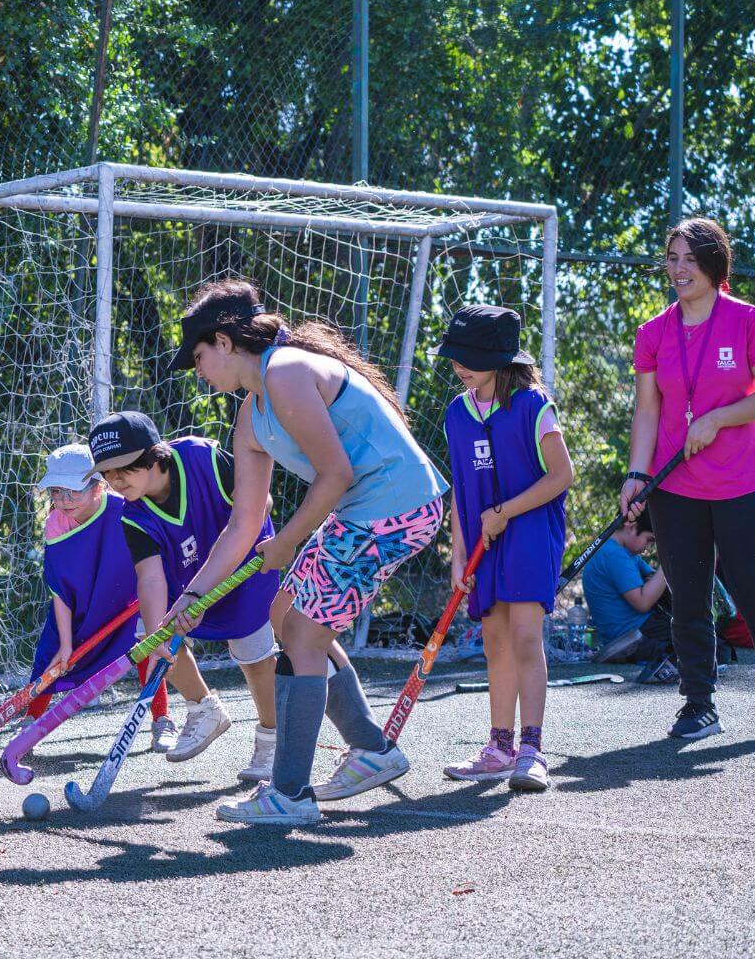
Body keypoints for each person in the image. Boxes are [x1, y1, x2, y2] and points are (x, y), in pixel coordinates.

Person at [165, 281, 449, 826]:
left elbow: (336, 474)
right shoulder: (250, 414)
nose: (199, 371)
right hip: (361, 510)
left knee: (303, 634)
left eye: (199, 357)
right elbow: (244, 523)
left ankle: (289, 794)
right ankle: (373, 749)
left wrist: (289, 539)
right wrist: (193, 596)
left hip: (395, 506)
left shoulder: (286, 372)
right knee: (281, 613)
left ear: (224, 342)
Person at [619, 217, 755, 740]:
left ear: (715, 264)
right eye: (672, 258)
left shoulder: (749, 320)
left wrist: (716, 418)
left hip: (742, 484)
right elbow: (647, 410)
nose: (678, 268)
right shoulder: (653, 332)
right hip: (675, 491)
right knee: (688, 599)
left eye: (690, 258)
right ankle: (698, 706)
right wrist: (636, 474)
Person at [87, 411, 280, 781]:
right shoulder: (133, 516)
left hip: (247, 568)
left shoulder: (201, 457)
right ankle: (203, 708)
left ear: (152, 455)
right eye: (106, 474)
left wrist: (234, 535)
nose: (114, 481)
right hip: (191, 581)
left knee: (253, 655)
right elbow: (151, 577)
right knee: (151, 631)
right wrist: (161, 635)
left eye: (123, 468)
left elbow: (262, 502)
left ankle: (272, 740)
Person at [435, 305, 574, 792]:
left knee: (523, 639)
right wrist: (458, 556)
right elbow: (459, 489)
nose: (460, 366)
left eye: (471, 358)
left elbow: (562, 476)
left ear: (501, 358)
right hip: (481, 543)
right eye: (456, 357)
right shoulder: (458, 412)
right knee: (493, 641)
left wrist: (506, 512)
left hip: (531, 535)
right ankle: (499, 748)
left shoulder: (534, 406)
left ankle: (532, 750)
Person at [22, 444, 176, 753]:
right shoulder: (56, 523)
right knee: (50, 652)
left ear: (99, 485)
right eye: (56, 492)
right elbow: (60, 590)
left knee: (147, 641)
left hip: (127, 602)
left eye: (73, 492)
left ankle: (162, 720)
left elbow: (154, 565)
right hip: (80, 606)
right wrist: (66, 644)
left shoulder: (126, 509)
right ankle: (30, 725)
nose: (63, 501)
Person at [582, 508, 675, 664]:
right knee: (707, 648)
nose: (648, 547)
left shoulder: (623, 552)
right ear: (631, 527)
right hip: (633, 637)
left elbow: (654, 578)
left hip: (639, 630)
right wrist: (668, 561)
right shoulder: (613, 554)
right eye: (649, 540)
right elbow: (643, 602)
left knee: (701, 639)